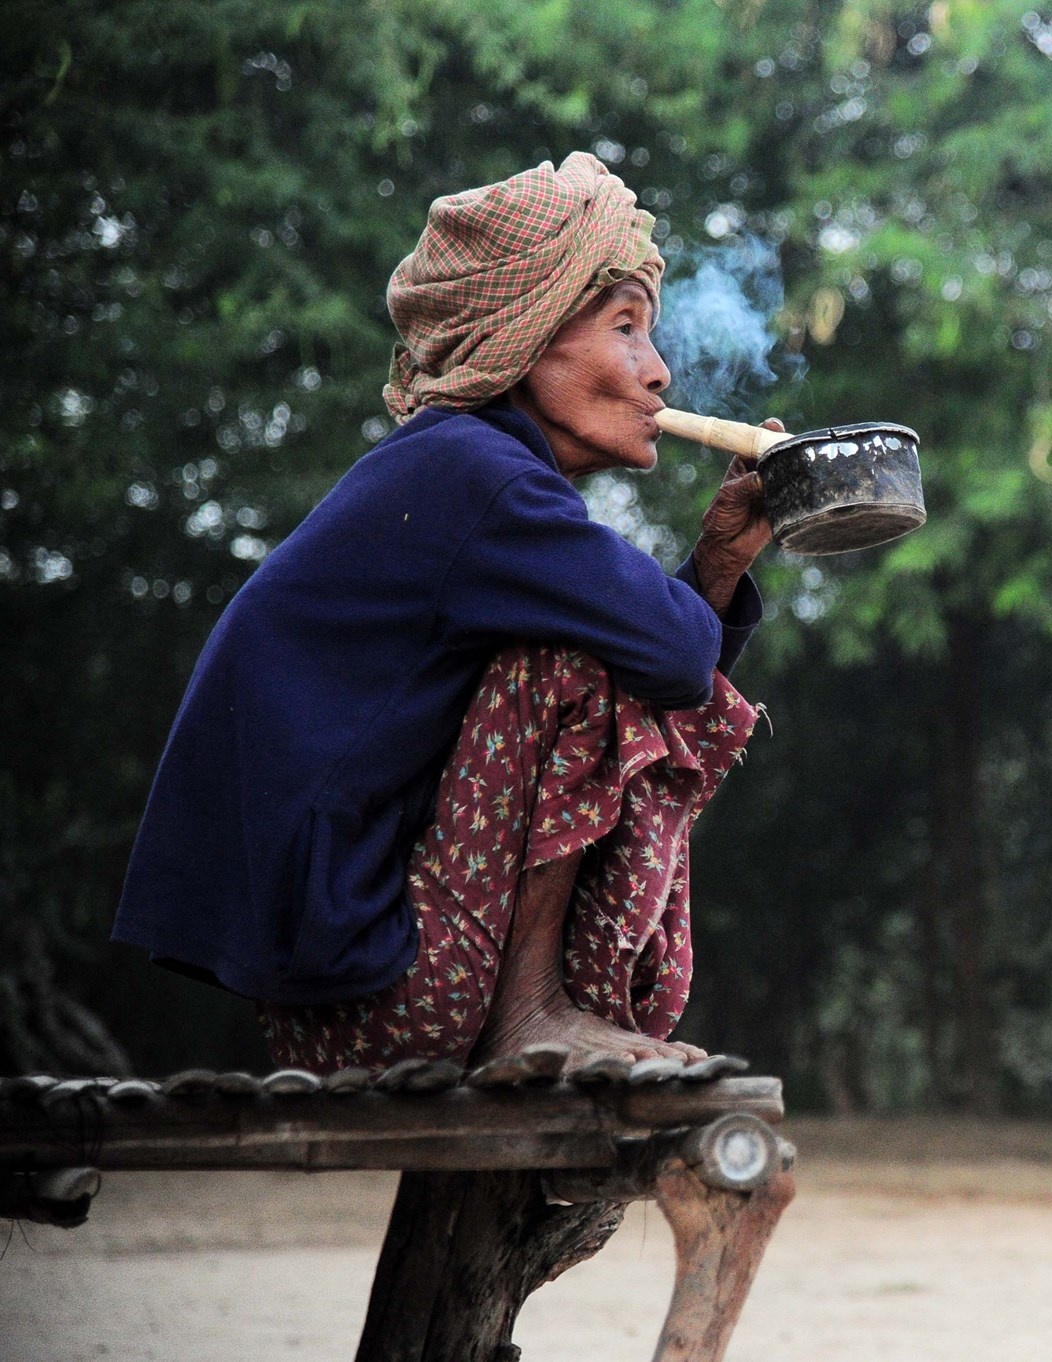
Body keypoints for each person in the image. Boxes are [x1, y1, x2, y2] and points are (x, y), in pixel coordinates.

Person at [113, 152, 772, 1073]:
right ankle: (531, 1011)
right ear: (528, 336)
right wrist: (704, 576)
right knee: (575, 653)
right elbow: (664, 650)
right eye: (627, 327)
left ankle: (540, 1007)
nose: (659, 372)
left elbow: (671, 650)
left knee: (606, 627)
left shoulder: (461, 472)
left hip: (340, 984)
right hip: (379, 991)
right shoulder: (475, 475)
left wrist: (724, 556)